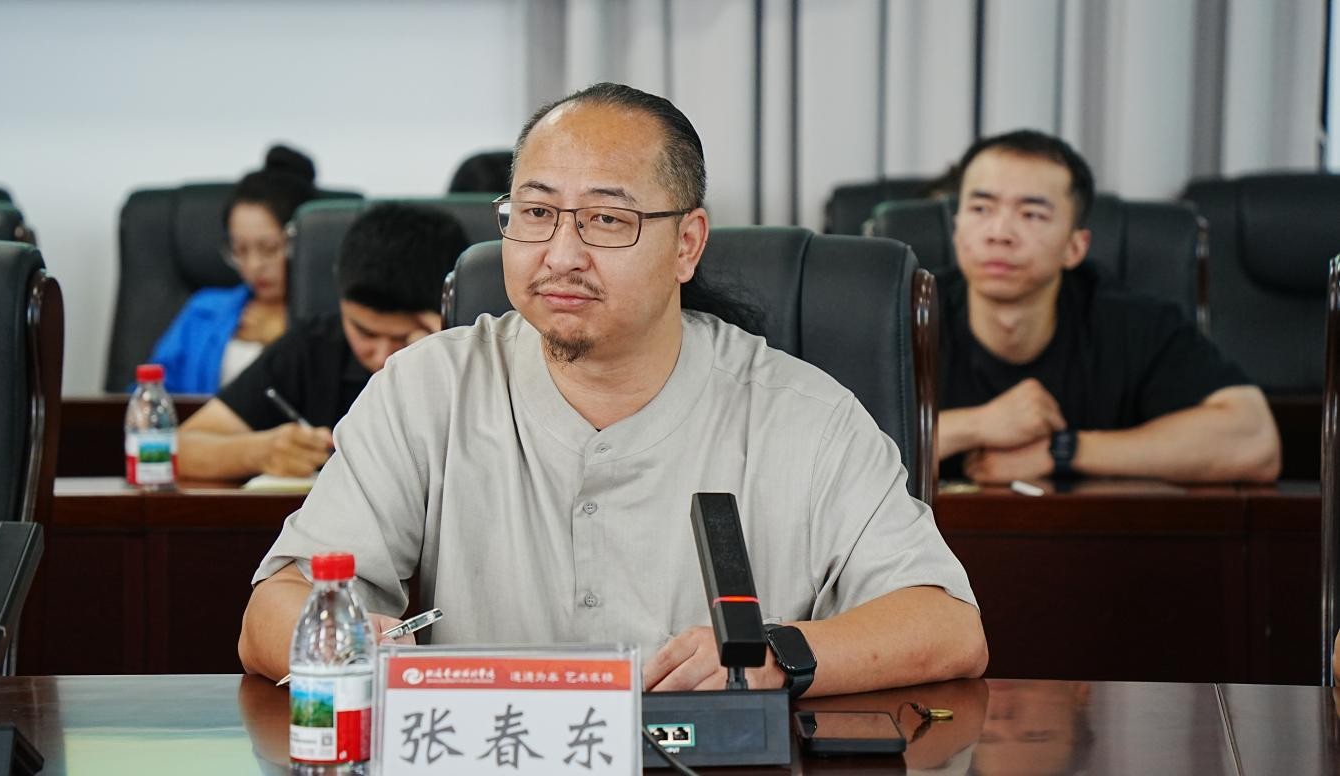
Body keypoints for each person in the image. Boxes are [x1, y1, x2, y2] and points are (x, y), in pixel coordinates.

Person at [239, 82, 987, 696]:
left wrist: (777, 655)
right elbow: (270, 614)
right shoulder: (426, 388)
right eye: (535, 213)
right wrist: (343, 639)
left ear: (687, 244)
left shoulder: (804, 415)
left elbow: (947, 625)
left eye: (605, 219)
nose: (560, 254)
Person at [935, 129, 1280, 484]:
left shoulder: (1134, 323)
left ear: (1075, 248)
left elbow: (1254, 440)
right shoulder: (908, 315)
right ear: (956, 229)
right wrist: (976, 425)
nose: (999, 233)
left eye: (1031, 214)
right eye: (980, 209)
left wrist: (1063, 450)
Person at [176, 203, 468, 480]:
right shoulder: (312, 348)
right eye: (365, 333)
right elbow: (181, 447)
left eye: (404, 338)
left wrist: (446, 355)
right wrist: (258, 452)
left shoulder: (475, 356)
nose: (382, 356)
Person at [147, 145, 317, 393]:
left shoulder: (332, 320)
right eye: (240, 250)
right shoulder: (204, 311)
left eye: (269, 248)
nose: (254, 265)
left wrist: (288, 340)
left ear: (304, 241)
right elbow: (151, 392)